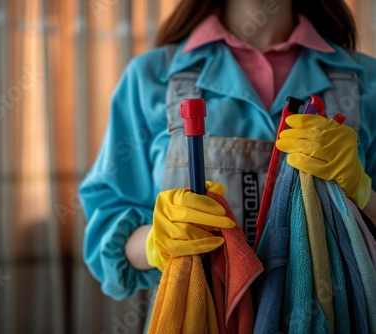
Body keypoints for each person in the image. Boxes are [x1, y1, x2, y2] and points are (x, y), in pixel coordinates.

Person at [79, 0, 376, 307]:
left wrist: (362, 192)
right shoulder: (150, 77)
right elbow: (108, 233)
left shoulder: (369, 82)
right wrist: (156, 241)